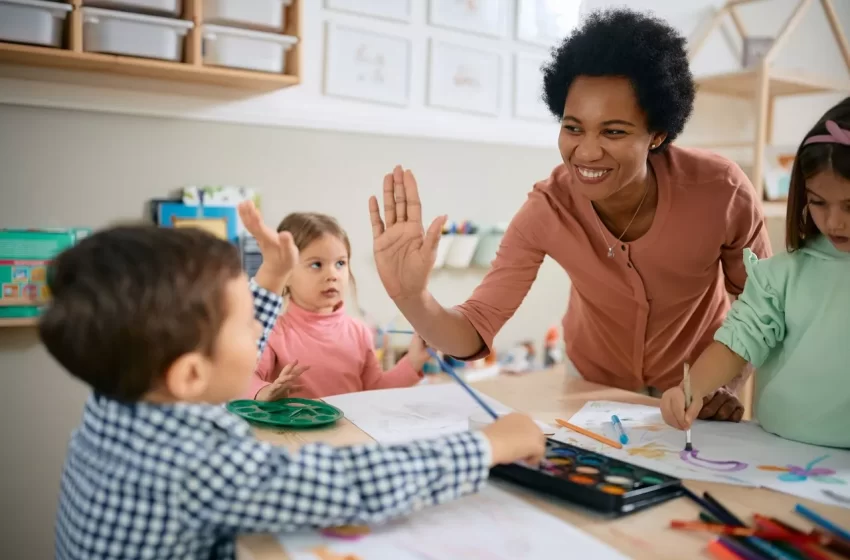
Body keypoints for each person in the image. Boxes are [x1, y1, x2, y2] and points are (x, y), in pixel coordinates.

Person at [46, 202, 545, 559]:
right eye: (247, 323)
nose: (261, 328)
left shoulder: (119, 402)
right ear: (191, 374)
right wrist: (484, 446)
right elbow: (350, 484)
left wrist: (266, 280)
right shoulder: (195, 466)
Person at [368, 8, 772, 421]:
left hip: (696, 384)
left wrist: (722, 382)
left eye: (613, 132)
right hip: (593, 383)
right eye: (573, 127)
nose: (587, 151)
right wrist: (412, 297)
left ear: (658, 134)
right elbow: (473, 330)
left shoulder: (721, 191)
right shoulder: (548, 208)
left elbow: (762, 305)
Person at [660, 98, 850, 448]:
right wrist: (690, 390)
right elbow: (737, 342)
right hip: (775, 450)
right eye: (818, 202)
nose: (834, 222)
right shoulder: (782, 274)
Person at [250, 212, 428, 400]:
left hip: (351, 430)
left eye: (340, 263)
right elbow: (246, 379)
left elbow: (375, 391)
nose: (333, 274)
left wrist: (413, 361)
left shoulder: (359, 331)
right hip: (295, 431)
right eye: (317, 264)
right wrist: (263, 392)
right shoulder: (272, 332)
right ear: (286, 273)